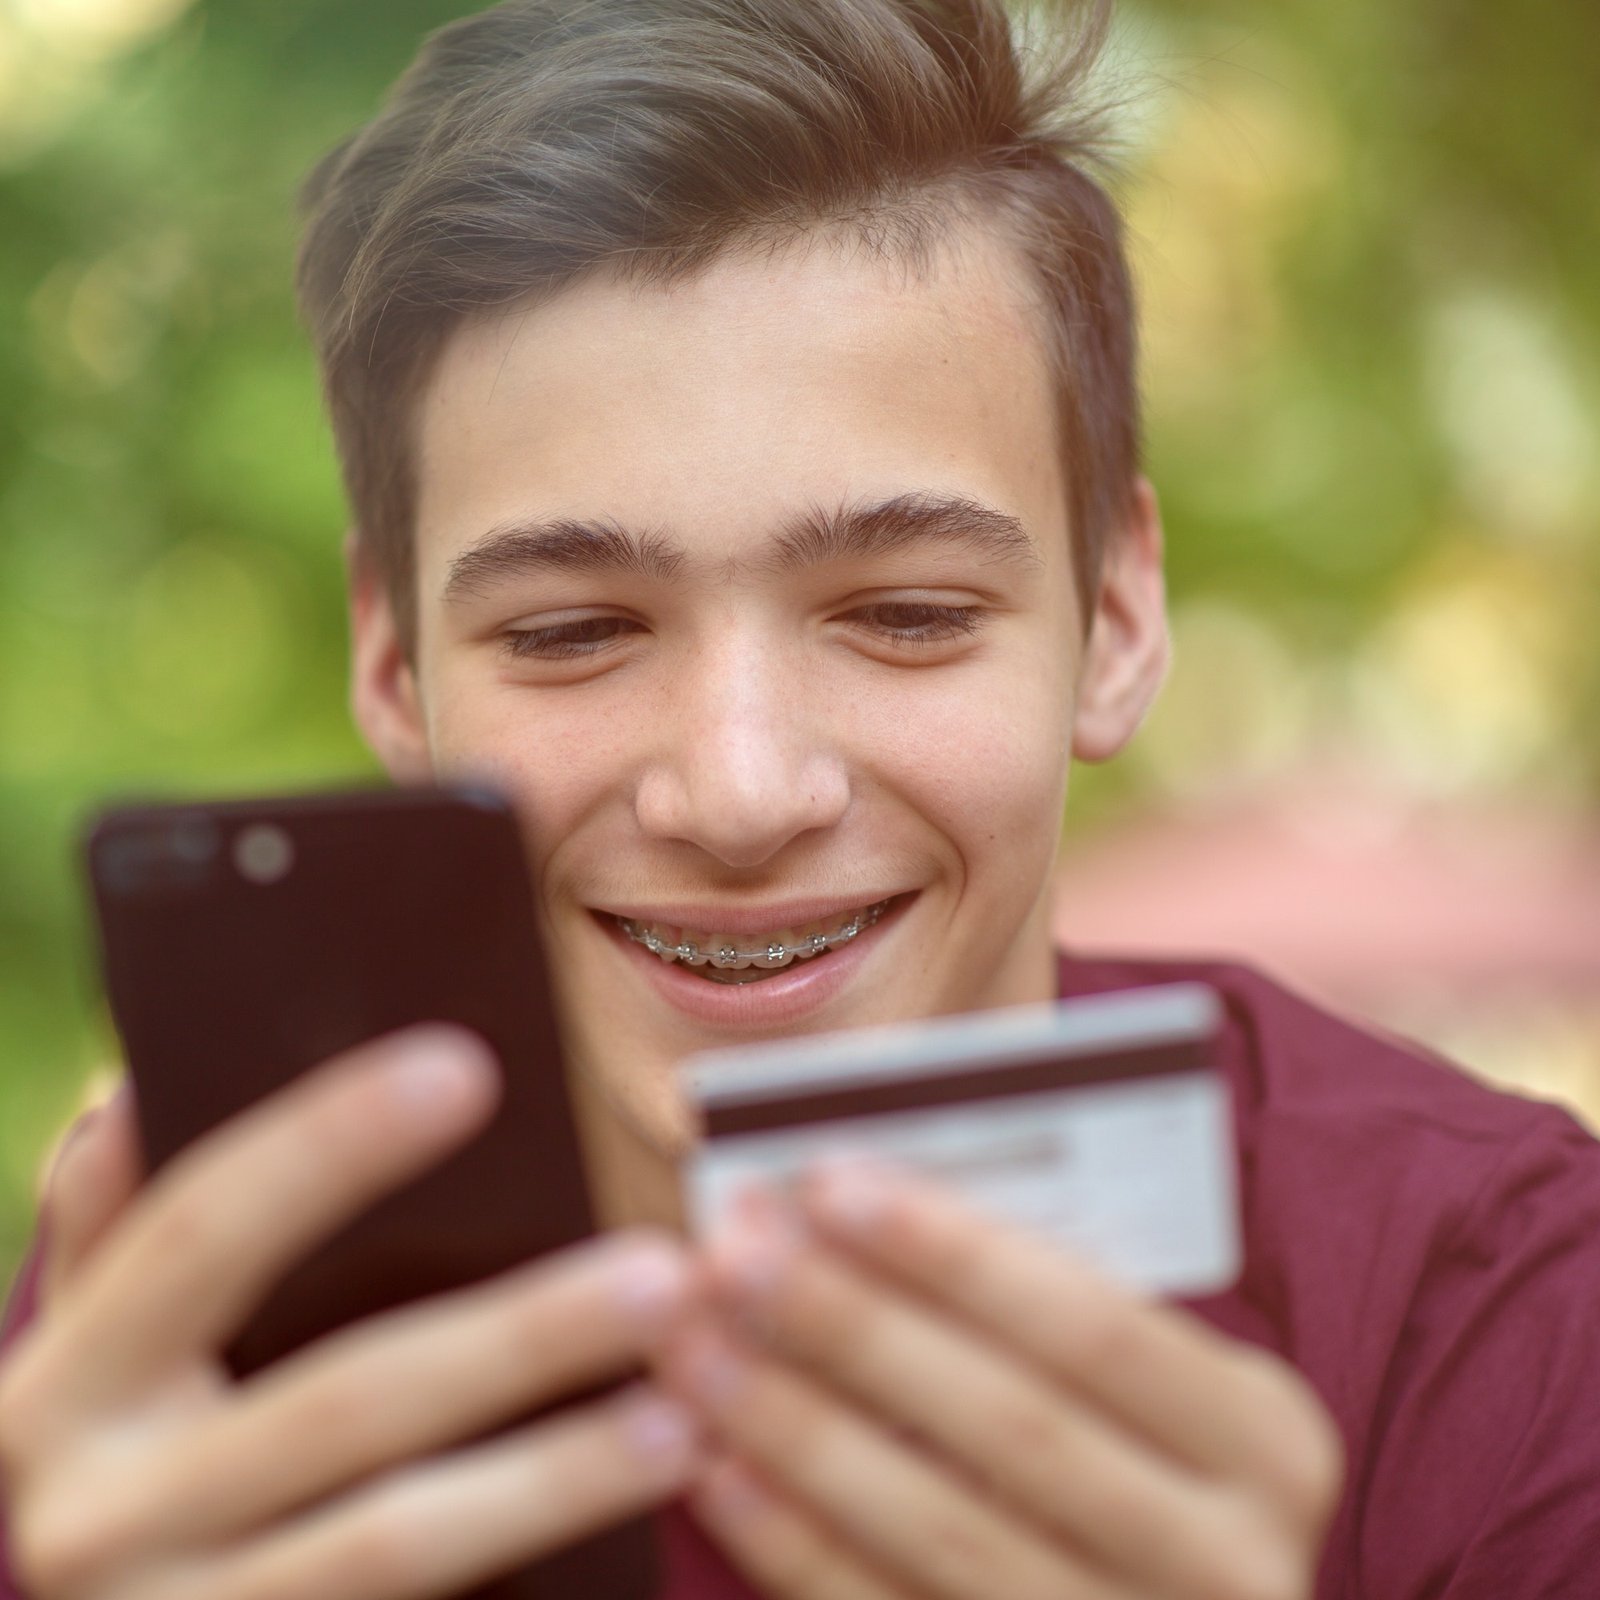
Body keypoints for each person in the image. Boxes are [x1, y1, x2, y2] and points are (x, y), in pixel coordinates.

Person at [2, 1, 1598, 1595]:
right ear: (396, 672)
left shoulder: (1496, 1313)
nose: (742, 790)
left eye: (907, 614)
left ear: (1114, 617)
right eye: (571, 634)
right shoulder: (172, 1349)